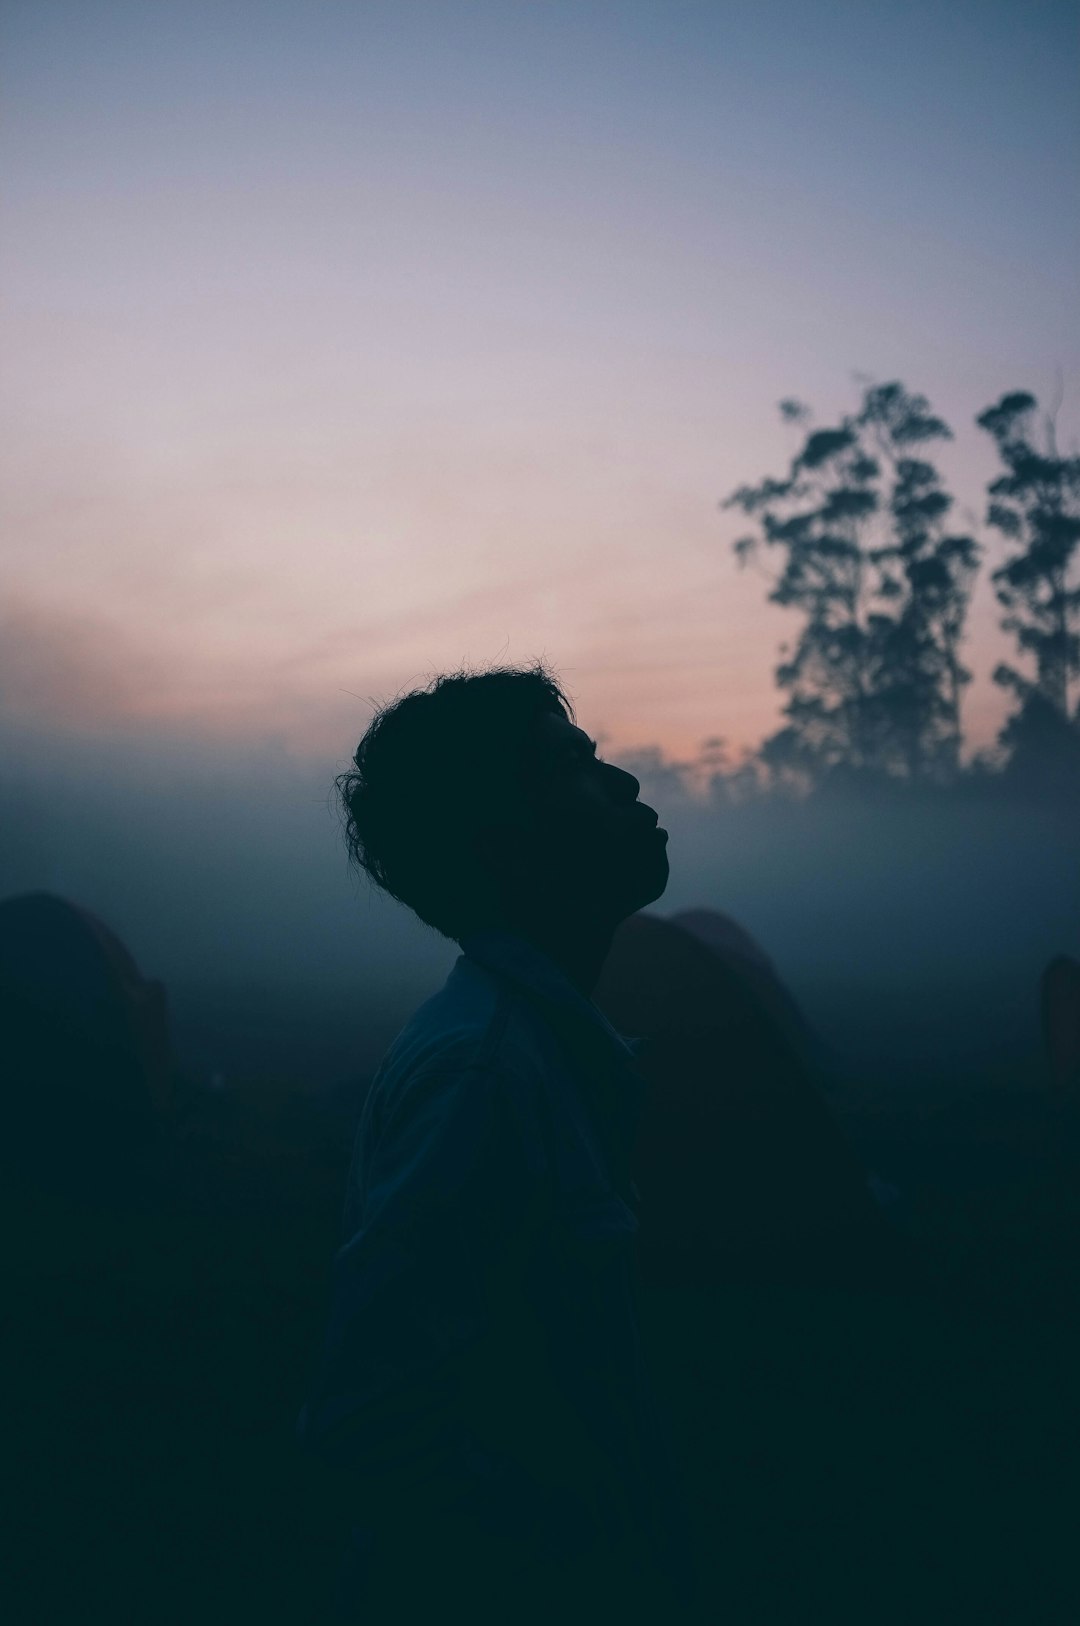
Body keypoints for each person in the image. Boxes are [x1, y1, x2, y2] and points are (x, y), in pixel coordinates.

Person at [298, 661, 701, 1623]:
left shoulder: (528, 1054)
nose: (625, 783)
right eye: (574, 767)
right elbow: (374, 1416)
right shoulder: (482, 1079)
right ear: (506, 849)